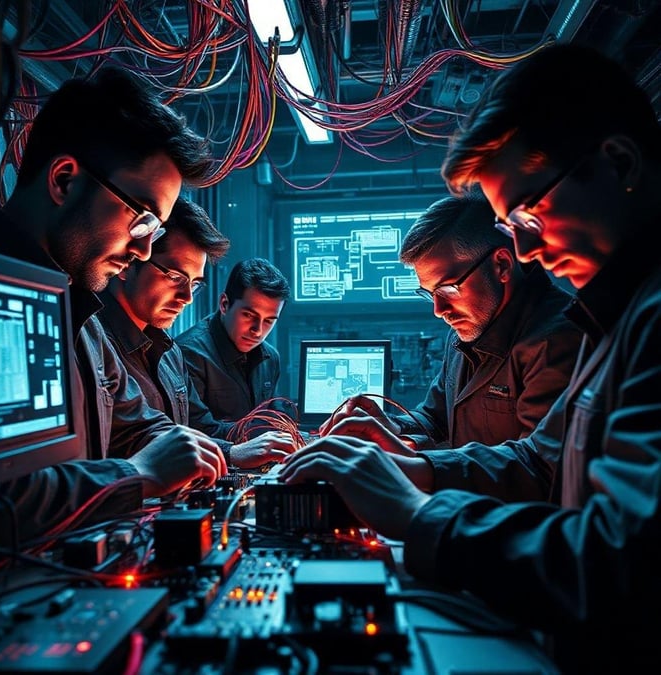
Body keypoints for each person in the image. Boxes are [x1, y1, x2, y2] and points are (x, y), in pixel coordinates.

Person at [280, 43, 661, 674]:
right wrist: (411, 459)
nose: (530, 251)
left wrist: (418, 512)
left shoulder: (624, 321)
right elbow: (539, 462)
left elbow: (625, 568)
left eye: (529, 216)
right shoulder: (613, 318)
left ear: (617, 162)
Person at [0, 66, 227, 551]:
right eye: (141, 219)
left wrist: (210, 453)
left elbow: (134, 426)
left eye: (153, 232)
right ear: (64, 179)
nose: (141, 251)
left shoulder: (80, 316)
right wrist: (135, 476)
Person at [320, 192, 582, 454]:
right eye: (430, 294)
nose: (438, 310)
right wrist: (391, 427)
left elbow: (537, 466)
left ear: (501, 265)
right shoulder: (464, 335)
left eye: (448, 290)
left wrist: (425, 468)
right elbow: (435, 419)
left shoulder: (557, 341)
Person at [98, 198, 295, 468]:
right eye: (176, 277)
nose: (187, 297)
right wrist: (232, 452)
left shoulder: (169, 353)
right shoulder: (91, 342)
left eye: (194, 283)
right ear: (129, 262)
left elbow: (196, 429)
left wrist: (271, 439)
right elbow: (145, 439)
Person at [176, 257, 291, 425]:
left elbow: (272, 417)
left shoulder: (270, 358)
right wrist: (260, 436)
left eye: (269, 321)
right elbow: (197, 430)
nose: (257, 331)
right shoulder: (187, 354)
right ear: (224, 304)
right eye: (249, 315)